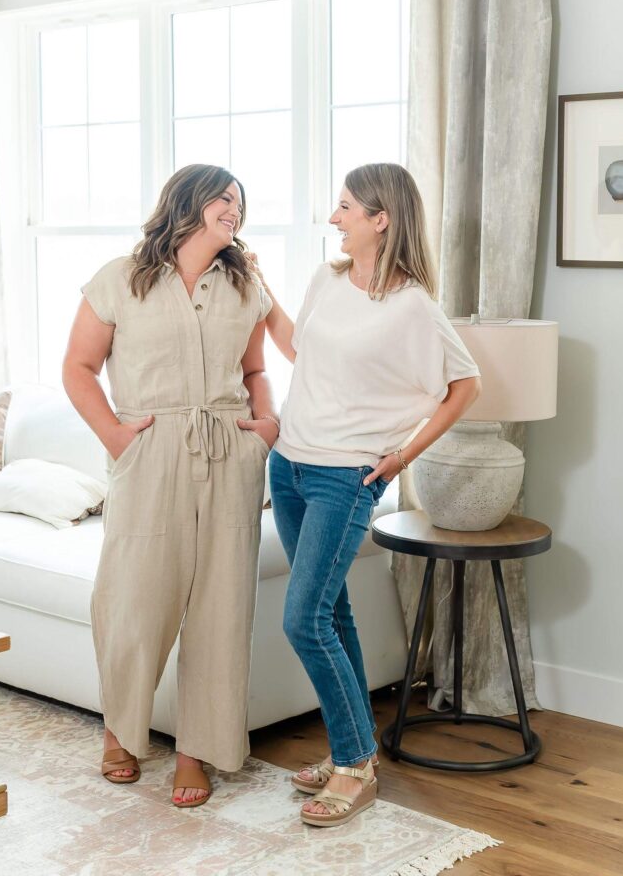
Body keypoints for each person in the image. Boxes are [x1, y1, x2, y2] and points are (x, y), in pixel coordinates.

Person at [258, 162, 481, 828]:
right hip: (289, 467)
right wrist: (259, 285)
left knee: (303, 619)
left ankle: (354, 767)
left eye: (346, 206)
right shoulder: (327, 280)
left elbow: (463, 385)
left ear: (380, 219)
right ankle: (350, 750)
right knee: (331, 616)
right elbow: (299, 348)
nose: (334, 217)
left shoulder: (411, 305)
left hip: (346, 477)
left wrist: (402, 455)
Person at [63, 164, 279, 808]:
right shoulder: (121, 279)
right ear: (186, 203)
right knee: (131, 599)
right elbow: (78, 367)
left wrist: (265, 426)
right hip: (148, 449)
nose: (234, 209)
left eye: (240, 202)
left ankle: (197, 752)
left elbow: (257, 367)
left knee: (221, 607)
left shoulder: (246, 285)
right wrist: (117, 437)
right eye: (222, 198)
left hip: (229, 452)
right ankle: (120, 733)